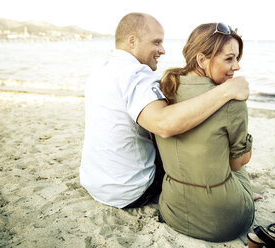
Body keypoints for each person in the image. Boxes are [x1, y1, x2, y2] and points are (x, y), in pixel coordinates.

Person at [79, 13, 250, 209]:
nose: (163, 50)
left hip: (95, 183)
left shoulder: (101, 69)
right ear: (132, 41)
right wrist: (227, 90)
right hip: (130, 190)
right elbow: (164, 124)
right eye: (156, 42)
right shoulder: (136, 75)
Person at [155, 22, 255, 242]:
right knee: (239, 165)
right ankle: (245, 195)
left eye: (237, 58)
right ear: (202, 59)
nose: (236, 66)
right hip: (225, 222)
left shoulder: (164, 88)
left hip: (173, 211)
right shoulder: (231, 100)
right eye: (229, 58)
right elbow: (238, 164)